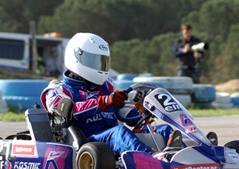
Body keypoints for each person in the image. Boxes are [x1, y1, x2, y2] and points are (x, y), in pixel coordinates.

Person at [41, 32, 182, 157]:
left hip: (112, 139)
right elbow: (69, 111)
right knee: (119, 132)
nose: (99, 67)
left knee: (164, 129)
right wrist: (104, 102)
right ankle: (152, 159)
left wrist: (146, 110)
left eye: (101, 62)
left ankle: (183, 159)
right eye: (94, 61)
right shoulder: (58, 89)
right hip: (87, 141)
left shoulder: (107, 86)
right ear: (77, 57)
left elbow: (126, 115)